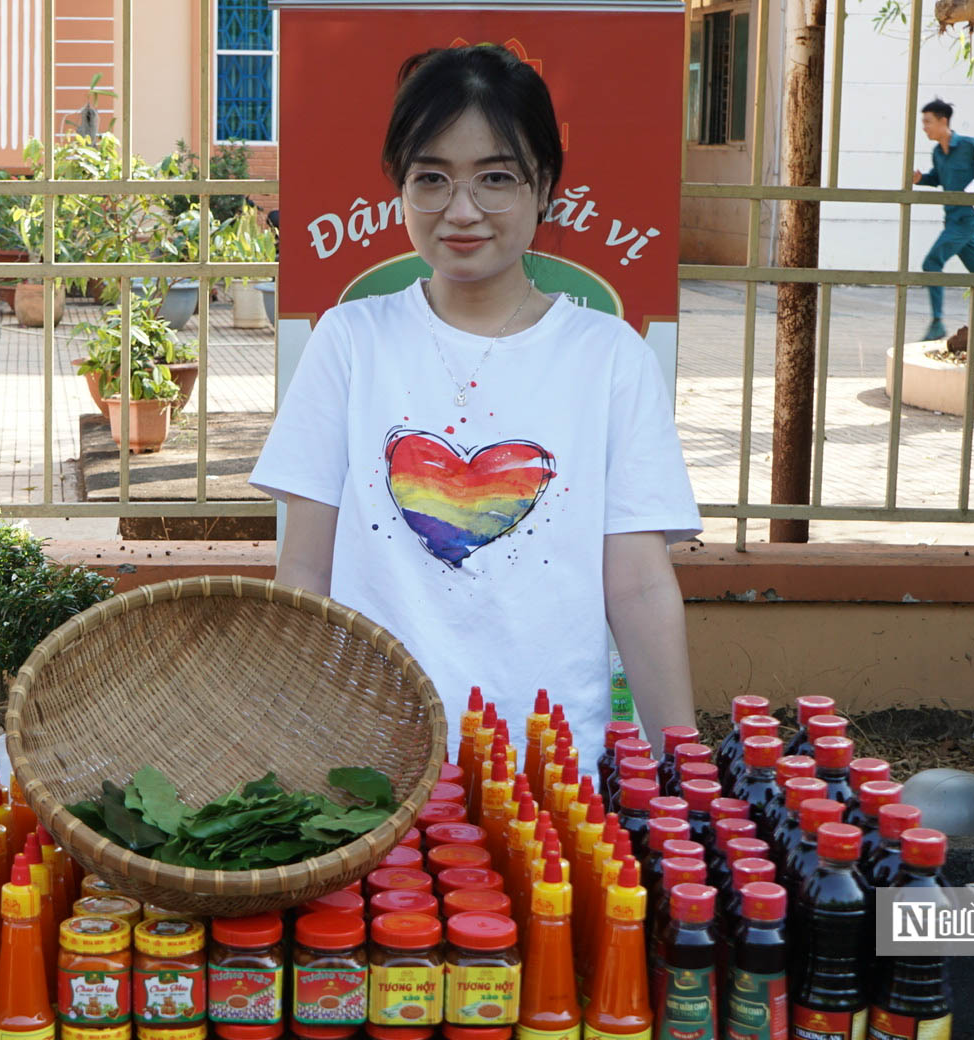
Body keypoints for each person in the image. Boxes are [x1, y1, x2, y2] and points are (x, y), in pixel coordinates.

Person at [249, 45, 701, 764]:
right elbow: (305, 573)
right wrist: (292, 750)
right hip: (373, 771)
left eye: (496, 178)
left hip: (550, 773)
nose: (462, 211)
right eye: (431, 178)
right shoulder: (351, 342)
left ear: (543, 186)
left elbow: (641, 586)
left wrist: (684, 765)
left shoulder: (610, 357)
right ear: (400, 187)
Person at [911, 98, 974, 341]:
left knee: (932, 263)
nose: (924, 127)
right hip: (951, 218)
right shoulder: (937, 153)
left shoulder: (969, 145)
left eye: (928, 122)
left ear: (943, 121)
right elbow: (938, 178)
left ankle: (937, 324)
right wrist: (921, 179)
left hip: (966, 218)